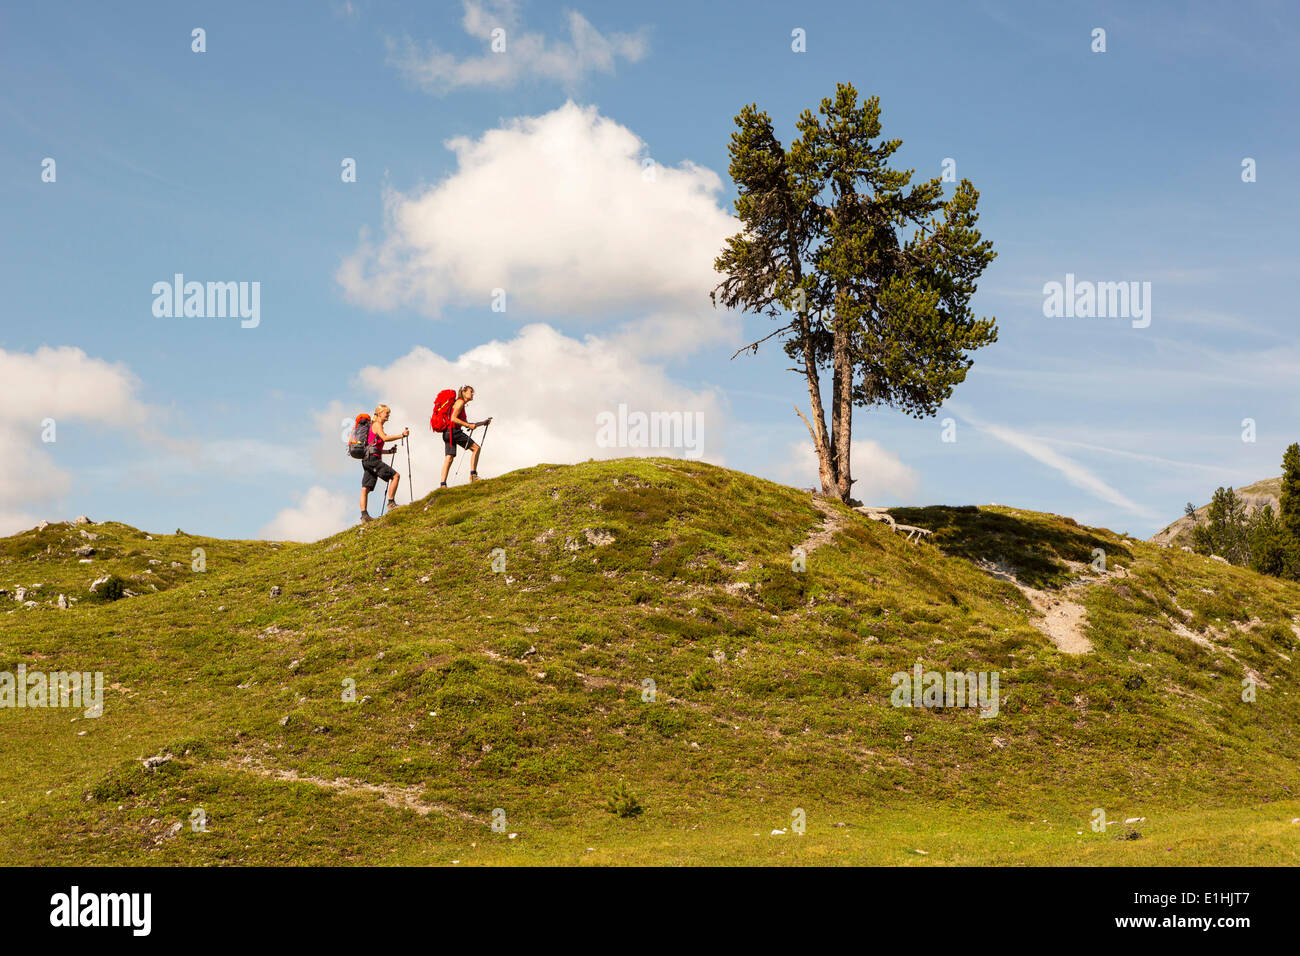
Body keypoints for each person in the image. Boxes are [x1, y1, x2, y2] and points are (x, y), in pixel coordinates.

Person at [360, 404, 408, 522]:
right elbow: (385, 438)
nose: (388, 415)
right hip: (373, 460)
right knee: (395, 476)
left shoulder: (373, 426)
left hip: (367, 459)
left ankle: (364, 515)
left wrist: (389, 452)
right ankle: (391, 503)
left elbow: (374, 447)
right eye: (387, 413)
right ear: (380, 413)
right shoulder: (377, 425)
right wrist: (402, 435)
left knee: (365, 488)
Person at [438, 385, 491, 487]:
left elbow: (468, 424)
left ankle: (443, 484)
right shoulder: (460, 402)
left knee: (449, 458)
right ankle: (473, 476)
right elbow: (453, 419)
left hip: (447, 432)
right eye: (471, 391)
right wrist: (467, 425)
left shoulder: (459, 403)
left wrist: (483, 423)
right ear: (464, 392)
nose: (472, 394)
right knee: (476, 448)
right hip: (454, 431)